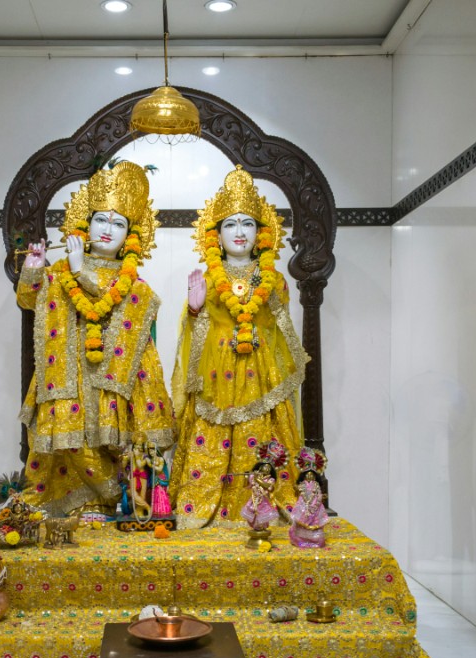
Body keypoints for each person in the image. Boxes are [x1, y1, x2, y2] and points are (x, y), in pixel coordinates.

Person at [17, 161, 174, 518]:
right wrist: (35, 267)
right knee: (67, 443)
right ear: (85, 226)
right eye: (101, 220)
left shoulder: (132, 283)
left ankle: (114, 502)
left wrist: (78, 270)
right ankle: (71, 504)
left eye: (118, 224)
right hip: (67, 374)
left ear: (130, 236)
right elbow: (29, 299)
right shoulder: (62, 271)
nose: (108, 230)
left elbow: (115, 301)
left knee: (110, 442)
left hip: (113, 377)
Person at [170, 166, 309, 528]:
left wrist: (259, 336)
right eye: (230, 224)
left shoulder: (273, 279)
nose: (239, 232)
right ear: (216, 234)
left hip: (261, 375)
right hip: (216, 377)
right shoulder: (207, 278)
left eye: (247, 223)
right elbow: (193, 332)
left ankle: (263, 508)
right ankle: (204, 512)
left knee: (263, 441)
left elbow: (282, 331)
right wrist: (195, 309)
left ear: (260, 233)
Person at [288, 446, 329, 548]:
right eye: (308, 475)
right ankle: (301, 540)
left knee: (315, 523)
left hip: (315, 506)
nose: (310, 477)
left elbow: (319, 494)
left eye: (312, 475)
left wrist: (317, 503)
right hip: (303, 505)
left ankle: (315, 540)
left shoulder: (316, 485)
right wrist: (297, 490)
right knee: (302, 521)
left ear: (315, 477)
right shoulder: (302, 485)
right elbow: (298, 494)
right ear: (304, 476)